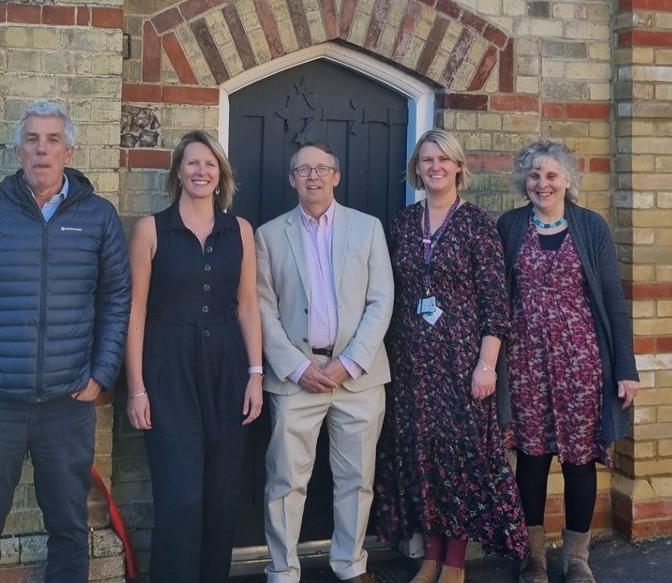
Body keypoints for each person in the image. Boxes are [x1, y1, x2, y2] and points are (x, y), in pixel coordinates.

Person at [0, 102, 131, 583]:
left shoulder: (98, 217)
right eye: (32, 139)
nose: (41, 149)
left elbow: (116, 298)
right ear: (18, 150)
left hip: (68, 403)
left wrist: (102, 373)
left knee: (69, 528)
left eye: (51, 140)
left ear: (69, 150)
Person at [374, 129, 528, 583]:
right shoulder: (402, 224)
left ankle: (455, 562)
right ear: (416, 169)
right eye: (426, 160)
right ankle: (430, 556)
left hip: (462, 365)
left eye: (443, 159)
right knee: (422, 461)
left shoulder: (478, 225)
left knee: (459, 461)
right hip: (410, 364)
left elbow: (496, 305)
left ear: (459, 166)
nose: (435, 166)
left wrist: (486, 366)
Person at [497, 140, 640, 583]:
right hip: (525, 364)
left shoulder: (590, 227)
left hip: (581, 363)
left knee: (579, 462)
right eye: (534, 175)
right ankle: (533, 556)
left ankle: (577, 556)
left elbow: (614, 301)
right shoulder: (510, 225)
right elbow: (498, 298)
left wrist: (626, 368)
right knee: (532, 461)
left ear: (568, 180)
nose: (542, 183)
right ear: (525, 181)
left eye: (551, 175)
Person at [125, 130, 263, 582]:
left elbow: (247, 305)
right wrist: (137, 388)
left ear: (220, 174)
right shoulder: (151, 228)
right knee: (180, 496)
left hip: (227, 369)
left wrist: (256, 374)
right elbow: (136, 310)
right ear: (178, 172)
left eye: (209, 164)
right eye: (192, 163)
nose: (201, 171)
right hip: (168, 369)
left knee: (222, 496)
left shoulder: (239, 230)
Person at [255, 141, 394, 583]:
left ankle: (350, 565)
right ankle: (282, 570)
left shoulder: (368, 228)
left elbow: (381, 300)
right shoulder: (269, 235)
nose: (312, 176)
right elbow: (263, 308)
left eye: (321, 169)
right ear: (292, 179)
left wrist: (349, 362)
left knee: (356, 481)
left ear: (336, 175)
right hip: (297, 378)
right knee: (285, 483)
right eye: (303, 170)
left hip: (358, 378)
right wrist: (297, 367)